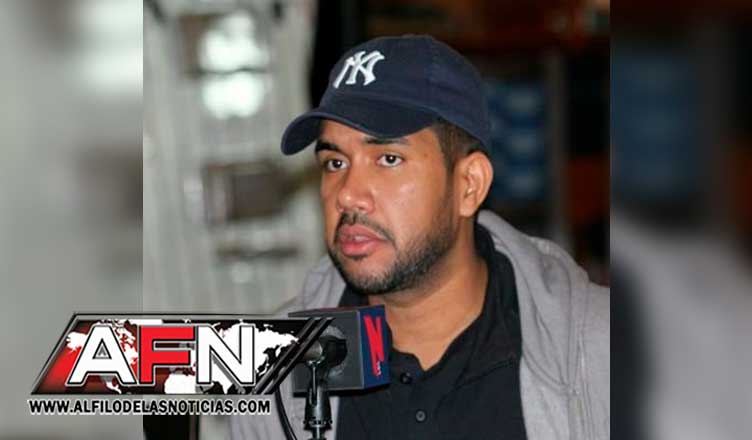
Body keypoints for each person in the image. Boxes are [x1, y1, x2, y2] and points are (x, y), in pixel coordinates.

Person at [231, 35, 609, 440]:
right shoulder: (272, 364)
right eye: (335, 162)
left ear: (468, 185)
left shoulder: (602, 351)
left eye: (388, 159)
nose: (347, 195)